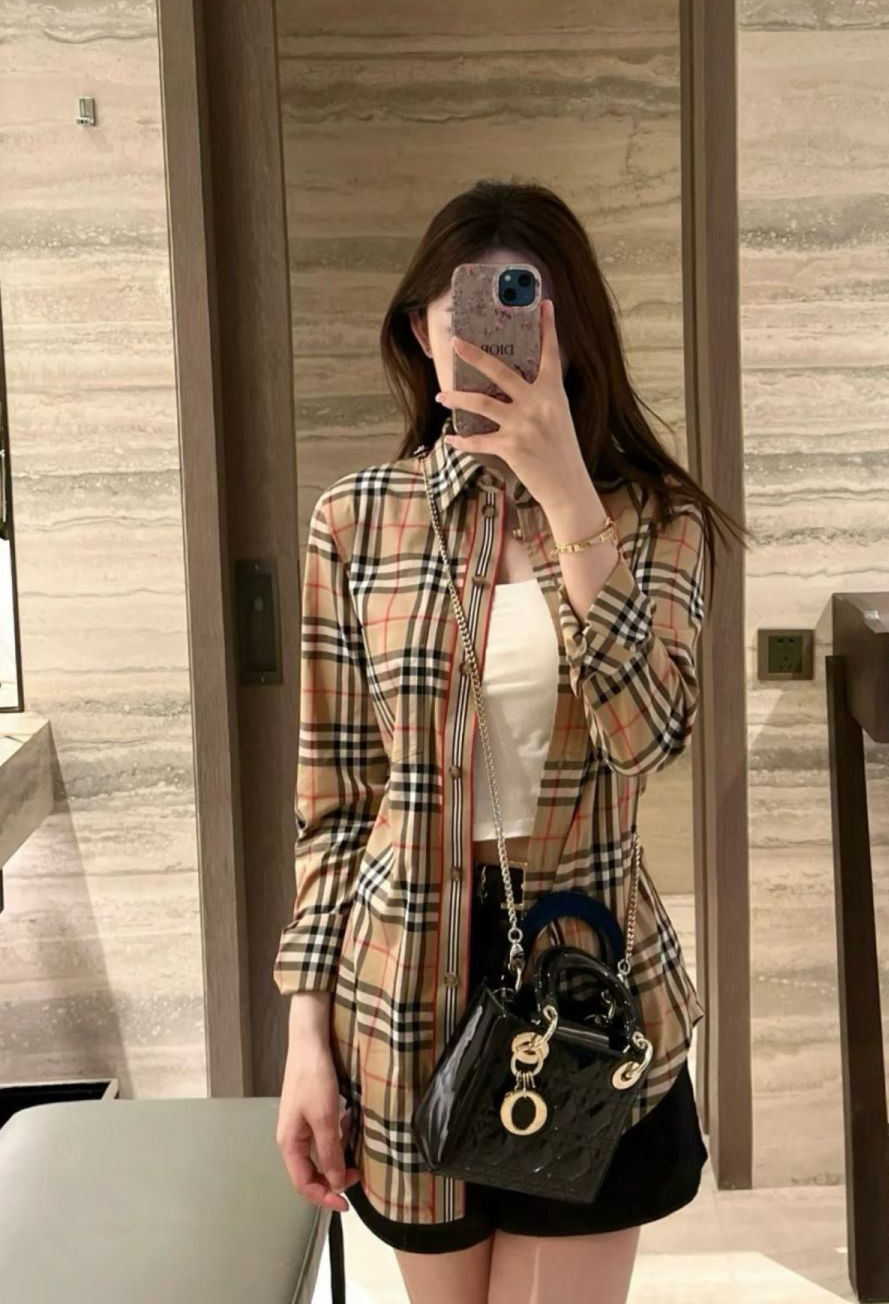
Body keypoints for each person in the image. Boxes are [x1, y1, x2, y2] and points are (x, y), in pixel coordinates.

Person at [273, 180, 746, 1304]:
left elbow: (648, 738)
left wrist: (569, 491)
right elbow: (335, 804)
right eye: (465, 314)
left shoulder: (655, 520)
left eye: (524, 309)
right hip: (399, 997)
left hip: (584, 984)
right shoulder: (356, 521)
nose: (494, 340)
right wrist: (304, 1038)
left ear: (571, 331)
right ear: (418, 331)